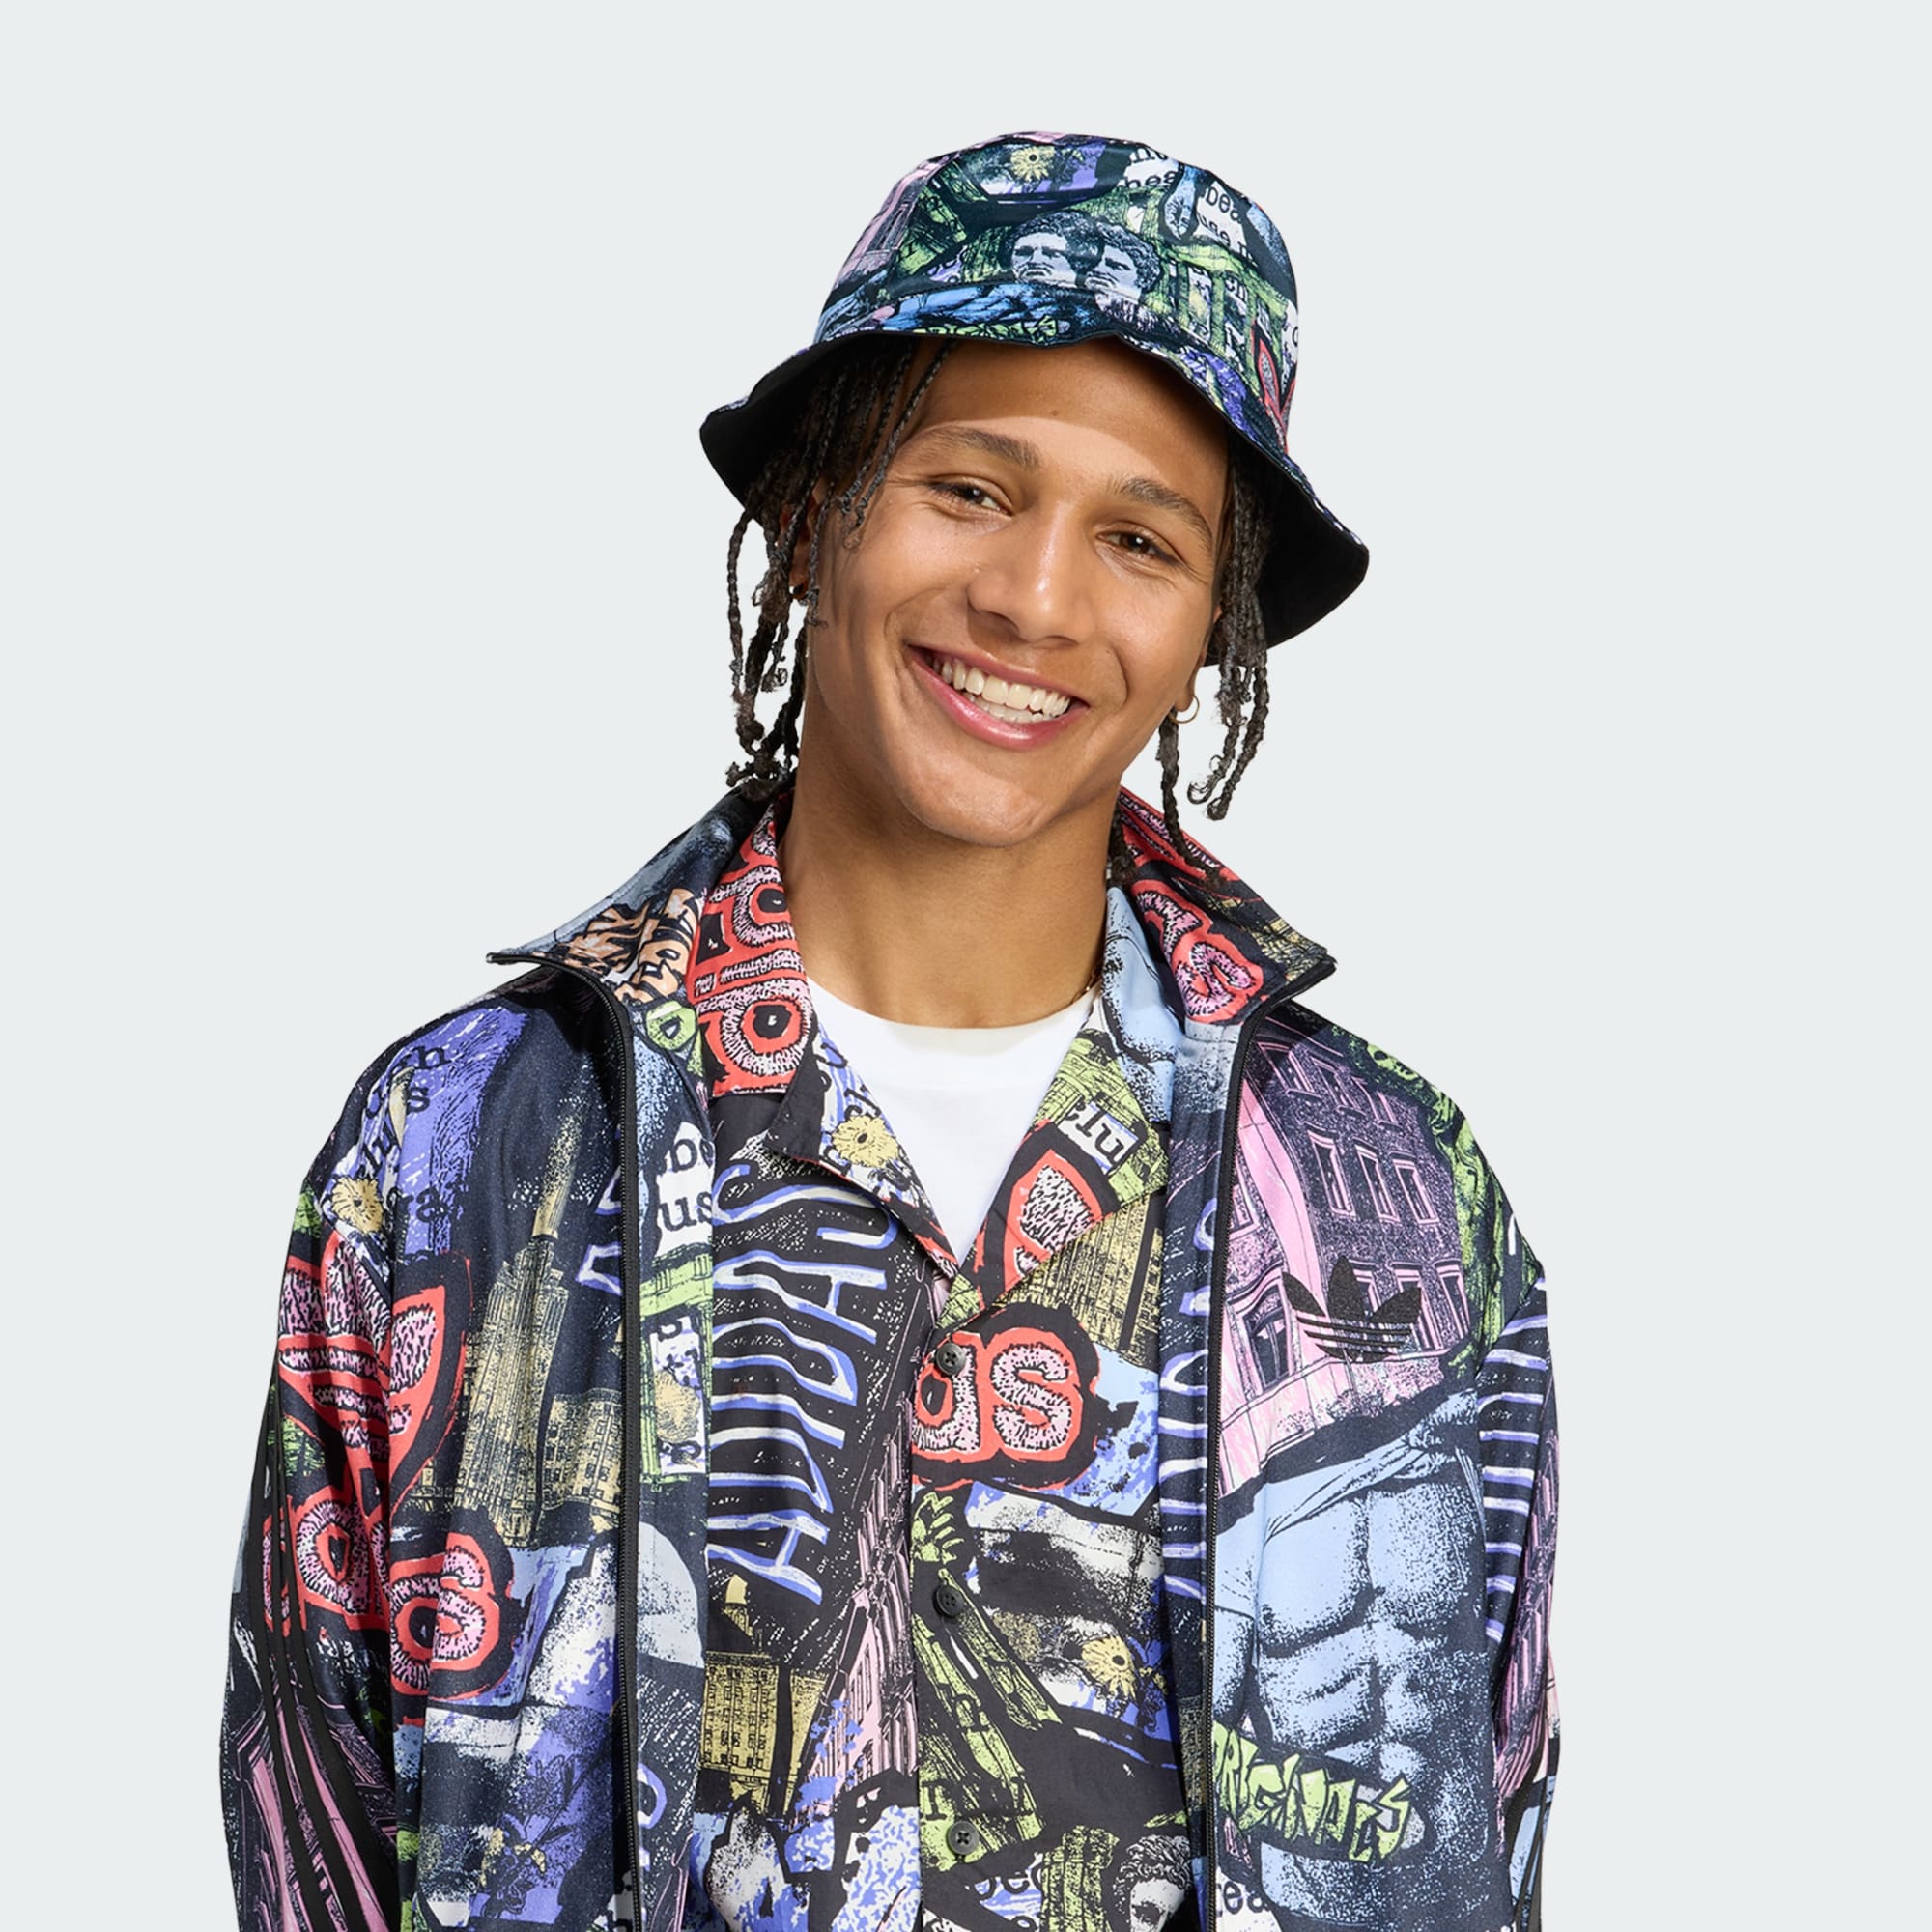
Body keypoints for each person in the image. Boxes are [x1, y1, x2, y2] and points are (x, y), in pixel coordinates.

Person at [219, 131, 1558, 1932]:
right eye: (971, 488)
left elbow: (1492, 1811)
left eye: (1140, 539)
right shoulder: (459, 1149)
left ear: (1207, 636)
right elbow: (313, 1816)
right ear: (811, 511)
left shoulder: (1395, 1196)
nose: (1036, 601)